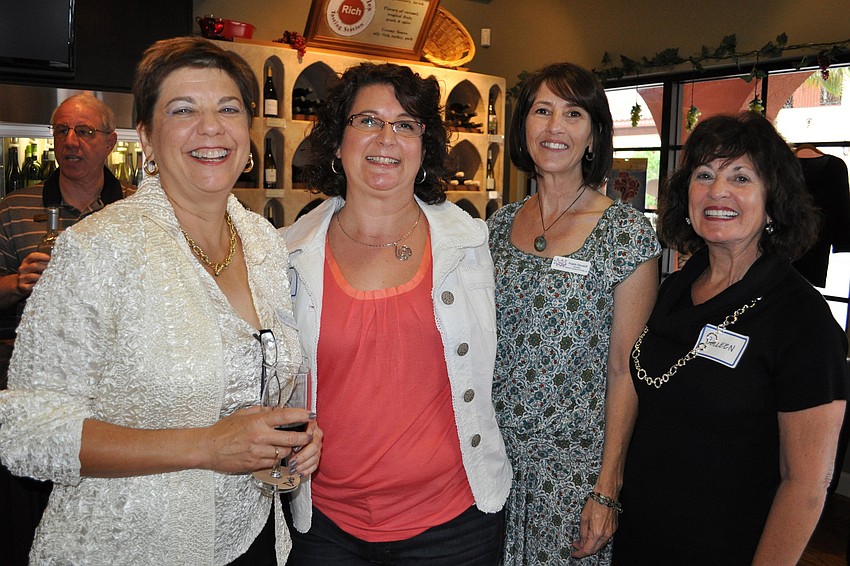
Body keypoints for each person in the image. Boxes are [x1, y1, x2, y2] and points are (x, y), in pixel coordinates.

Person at [0, 36, 322, 565]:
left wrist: (282, 445)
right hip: (129, 545)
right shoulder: (97, 249)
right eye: (183, 110)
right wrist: (208, 446)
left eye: (228, 109)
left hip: (251, 539)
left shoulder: (263, 240)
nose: (211, 127)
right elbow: (27, 434)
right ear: (146, 138)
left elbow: (255, 388)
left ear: (247, 133)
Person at [282, 62, 512, 565]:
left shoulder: (471, 244)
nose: (386, 137)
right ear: (337, 142)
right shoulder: (286, 254)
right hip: (326, 526)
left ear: (423, 148)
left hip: (454, 527)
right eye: (367, 121)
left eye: (405, 124)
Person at [613, 113, 848, 565]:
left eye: (740, 177)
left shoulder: (802, 320)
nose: (717, 191)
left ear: (772, 199)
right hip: (640, 539)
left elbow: (806, 485)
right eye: (704, 175)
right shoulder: (677, 287)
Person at [487, 62, 660, 564]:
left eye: (573, 113)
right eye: (542, 110)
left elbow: (625, 368)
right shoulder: (496, 228)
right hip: (488, 462)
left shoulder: (624, 235)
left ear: (593, 135)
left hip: (573, 471)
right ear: (524, 126)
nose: (554, 127)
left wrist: (607, 487)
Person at [0, 93, 135, 566]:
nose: (71, 142)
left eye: (85, 132)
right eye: (61, 131)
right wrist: (17, 283)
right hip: (29, 394)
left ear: (111, 142)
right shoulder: (13, 207)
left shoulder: (138, 214)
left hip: (113, 396)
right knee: (26, 526)